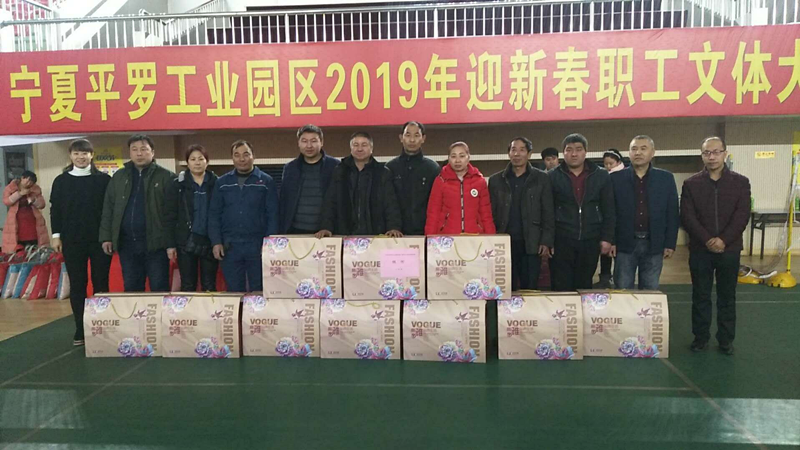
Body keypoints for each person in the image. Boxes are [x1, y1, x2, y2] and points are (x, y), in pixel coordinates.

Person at [681, 137, 750, 356]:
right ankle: (700, 337)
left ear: (725, 154)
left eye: (716, 152)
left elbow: (742, 215)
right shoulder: (691, 184)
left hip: (729, 250)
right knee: (700, 295)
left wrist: (723, 240)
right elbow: (687, 216)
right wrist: (707, 240)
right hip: (700, 250)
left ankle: (726, 340)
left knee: (727, 297)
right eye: (707, 153)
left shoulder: (741, 182)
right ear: (702, 155)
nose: (711, 157)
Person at [50, 139, 112, 346]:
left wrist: (109, 236)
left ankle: (102, 326)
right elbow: (55, 210)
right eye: (76, 153)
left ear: (92, 155)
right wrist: (56, 236)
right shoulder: (61, 181)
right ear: (70, 156)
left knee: (101, 283)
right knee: (78, 284)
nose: (81, 157)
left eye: (85, 153)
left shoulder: (103, 180)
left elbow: (109, 211)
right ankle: (80, 328)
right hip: (72, 240)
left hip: (99, 240)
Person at [100, 135, 176, 292]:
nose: (139, 153)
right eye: (134, 150)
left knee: (159, 287)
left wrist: (171, 243)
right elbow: (109, 208)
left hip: (156, 245)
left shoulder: (166, 177)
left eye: (143, 149)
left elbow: (172, 214)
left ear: (152, 152)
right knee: (131, 288)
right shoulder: (119, 177)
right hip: (127, 244)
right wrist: (106, 237)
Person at [609, 136, 679, 290]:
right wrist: (611, 240)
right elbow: (610, 212)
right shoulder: (615, 179)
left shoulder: (665, 178)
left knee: (650, 289)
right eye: (634, 149)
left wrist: (670, 243)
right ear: (629, 153)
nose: (638, 152)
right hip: (624, 243)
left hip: (654, 243)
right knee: (623, 289)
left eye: (643, 148)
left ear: (652, 153)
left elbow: (672, 213)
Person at [209, 140, 278, 292]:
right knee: (234, 290)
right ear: (232, 158)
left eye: (246, 154)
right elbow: (214, 214)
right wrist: (216, 242)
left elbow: (273, 214)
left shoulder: (266, 181)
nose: (242, 159)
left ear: (253, 156)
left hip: (258, 245)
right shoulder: (222, 183)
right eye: (237, 155)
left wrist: (270, 244)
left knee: (259, 289)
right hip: (230, 246)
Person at [548, 133, 615, 291]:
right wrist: (548, 240)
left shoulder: (601, 175)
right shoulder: (552, 176)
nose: (574, 154)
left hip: (590, 239)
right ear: (563, 153)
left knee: (584, 285)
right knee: (561, 286)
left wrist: (607, 238)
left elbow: (609, 209)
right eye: (569, 150)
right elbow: (547, 211)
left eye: (578, 149)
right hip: (561, 239)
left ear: (585, 152)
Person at [489, 137, 554, 290]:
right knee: (505, 289)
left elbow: (548, 211)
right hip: (503, 243)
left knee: (529, 288)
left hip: (531, 243)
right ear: (508, 153)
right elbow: (490, 213)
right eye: (513, 150)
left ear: (529, 154)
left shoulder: (541, 179)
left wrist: (546, 240)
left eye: (522, 150)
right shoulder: (496, 180)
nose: (517, 154)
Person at [316, 132, 403, 238]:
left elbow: (390, 203)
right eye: (356, 145)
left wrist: (394, 227)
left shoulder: (382, 172)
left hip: (376, 235)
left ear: (371, 148)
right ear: (351, 148)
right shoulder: (340, 171)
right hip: (345, 234)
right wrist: (326, 227)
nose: (360, 149)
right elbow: (330, 202)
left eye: (364, 145)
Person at [166, 145, 219, 292]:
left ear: (207, 162)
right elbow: (170, 215)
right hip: (185, 241)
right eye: (193, 159)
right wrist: (170, 245)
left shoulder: (217, 183)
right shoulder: (178, 185)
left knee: (209, 285)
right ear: (187, 163)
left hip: (210, 241)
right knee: (188, 284)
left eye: (201, 159)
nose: (197, 162)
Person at [279, 124, 340, 234]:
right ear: (298, 143)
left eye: (313, 141)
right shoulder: (290, 168)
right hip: (294, 231)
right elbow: (284, 201)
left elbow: (338, 201)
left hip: (326, 231)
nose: (309, 145)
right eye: (304, 141)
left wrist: (328, 226)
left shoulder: (335, 166)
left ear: (321, 142)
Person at [425, 142, 496, 235]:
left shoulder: (480, 181)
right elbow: (433, 213)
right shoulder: (440, 181)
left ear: (468, 157)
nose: (457, 160)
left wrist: (491, 237)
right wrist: (430, 238)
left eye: (462, 156)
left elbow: (486, 214)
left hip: (475, 236)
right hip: (447, 237)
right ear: (449, 158)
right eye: (453, 156)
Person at [386, 121, 441, 236]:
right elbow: (387, 202)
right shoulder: (390, 168)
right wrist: (393, 227)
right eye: (408, 135)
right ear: (401, 138)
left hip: (426, 233)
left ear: (423, 138)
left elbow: (437, 204)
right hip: (396, 233)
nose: (412, 140)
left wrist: (432, 231)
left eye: (416, 135)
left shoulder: (432, 168)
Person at [597, 148, 625, 288]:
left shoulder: (623, 177)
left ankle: (618, 279)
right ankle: (605, 278)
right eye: (606, 164)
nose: (608, 166)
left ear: (618, 162)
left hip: (621, 224)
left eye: (611, 163)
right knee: (605, 253)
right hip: (605, 223)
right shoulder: (603, 177)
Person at [3, 170, 48, 253]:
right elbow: (7, 201)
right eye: (28, 180)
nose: (29, 183)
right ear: (22, 178)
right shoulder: (11, 188)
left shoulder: (35, 189)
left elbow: (42, 205)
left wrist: (34, 200)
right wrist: (19, 194)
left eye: (31, 182)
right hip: (16, 220)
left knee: (34, 246)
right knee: (17, 247)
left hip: (32, 220)